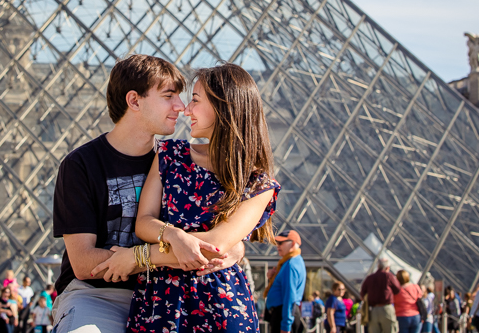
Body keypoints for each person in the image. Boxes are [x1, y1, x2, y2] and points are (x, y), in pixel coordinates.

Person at [51, 55, 245, 333]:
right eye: (169, 96)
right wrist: (156, 256)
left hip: (170, 296)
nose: (181, 106)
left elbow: (218, 237)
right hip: (97, 296)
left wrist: (234, 247)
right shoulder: (81, 164)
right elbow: (83, 264)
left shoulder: (179, 161)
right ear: (134, 101)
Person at [93, 63, 280, 333]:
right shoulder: (170, 154)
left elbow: (215, 245)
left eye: (194, 99)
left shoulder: (258, 184)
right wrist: (174, 236)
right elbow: (143, 222)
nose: (185, 108)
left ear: (223, 106)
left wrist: (138, 257)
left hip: (221, 305)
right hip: (160, 303)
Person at [265, 230, 307, 333]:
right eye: (277, 243)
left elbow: (290, 297)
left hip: (283, 315)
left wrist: (286, 325)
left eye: (281, 243)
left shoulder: (291, 265)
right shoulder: (290, 262)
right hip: (282, 314)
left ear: (292, 243)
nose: (277, 246)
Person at [361, 257, 402, 333]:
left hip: (373, 310)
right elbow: (397, 289)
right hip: (386, 308)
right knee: (390, 330)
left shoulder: (370, 278)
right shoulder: (388, 276)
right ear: (387, 267)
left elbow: (363, 293)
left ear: (378, 266)